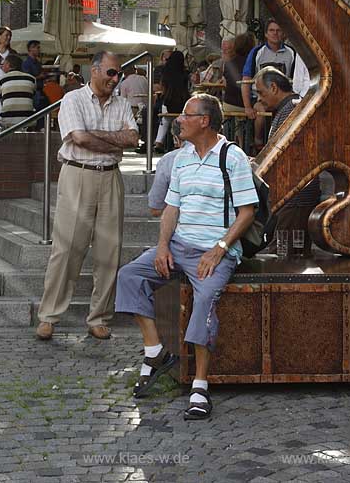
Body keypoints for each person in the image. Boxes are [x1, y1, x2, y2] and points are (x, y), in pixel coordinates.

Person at [115, 93, 257, 420]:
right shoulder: (181, 157)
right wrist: (163, 246)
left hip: (215, 250)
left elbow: (247, 212)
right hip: (179, 245)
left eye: (186, 115)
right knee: (129, 276)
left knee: (205, 297)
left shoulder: (232, 157)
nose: (179, 120)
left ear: (204, 121)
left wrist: (219, 249)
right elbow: (170, 208)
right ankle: (155, 352)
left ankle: (200, 386)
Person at [35, 52, 138, 342]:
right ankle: (49, 316)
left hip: (110, 177)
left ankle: (99, 317)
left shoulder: (121, 103)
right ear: (94, 71)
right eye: (110, 73)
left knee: (109, 251)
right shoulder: (72, 99)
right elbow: (77, 138)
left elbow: (133, 138)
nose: (115, 79)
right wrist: (111, 139)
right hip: (77, 174)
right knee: (67, 249)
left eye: (118, 74)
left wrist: (97, 137)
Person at [252, 67, 321, 256]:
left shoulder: (292, 108)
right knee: (288, 254)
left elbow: (288, 154)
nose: (258, 98)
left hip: (295, 196)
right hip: (290, 197)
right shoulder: (288, 108)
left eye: (260, 92)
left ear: (274, 87)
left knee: (288, 257)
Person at [243, 20, 298, 150]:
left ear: (283, 33)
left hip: (284, 98)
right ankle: (258, 142)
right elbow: (245, 80)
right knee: (260, 111)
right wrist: (247, 107)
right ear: (266, 34)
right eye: (272, 30)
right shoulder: (257, 52)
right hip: (261, 98)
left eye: (278, 30)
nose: (275, 34)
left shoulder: (292, 53)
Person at [222, 32, 254, 150]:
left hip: (229, 103)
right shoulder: (252, 62)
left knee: (230, 120)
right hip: (245, 104)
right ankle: (245, 144)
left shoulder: (228, 62)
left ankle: (228, 144)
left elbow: (225, 83)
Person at [154, 51, 188, 153]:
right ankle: (177, 141)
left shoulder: (165, 72)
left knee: (165, 120)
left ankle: (159, 142)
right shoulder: (185, 73)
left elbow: (162, 88)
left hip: (168, 102)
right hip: (182, 103)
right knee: (178, 120)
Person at [147, 119, 182, 217]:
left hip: (180, 226)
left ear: (175, 138)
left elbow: (155, 208)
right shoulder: (227, 155)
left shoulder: (168, 160)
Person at [0, 54, 36, 129]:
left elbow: (2, 100)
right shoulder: (31, 79)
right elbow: (32, 96)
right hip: (28, 119)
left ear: (8, 65)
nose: (2, 66)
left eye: (3, 64)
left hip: (7, 120)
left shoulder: (0, 80)